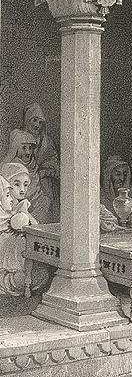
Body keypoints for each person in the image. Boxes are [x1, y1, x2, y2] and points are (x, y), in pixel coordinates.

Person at [0, 163, 48, 296]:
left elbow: (35, 227)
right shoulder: (5, 213)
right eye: (17, 184)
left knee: (42, 275)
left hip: (24, 263)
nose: (22, 189)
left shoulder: (20, 208)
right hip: (7, 269)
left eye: (25, 185)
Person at [0, 130, 52, 223]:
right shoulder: (10, 168)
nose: (28, 152)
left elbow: (35, 189)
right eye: (24, 148)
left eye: (30, 148)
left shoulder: (34, 166)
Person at [21, 104, 59, 221]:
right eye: (34, 120)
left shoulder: (47, 142)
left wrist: (45, 171)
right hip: (25, 182)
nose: (37, 125)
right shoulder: (19, 139)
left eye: (41, 122)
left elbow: (54, 162)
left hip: (45, 184)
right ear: (28, 120)